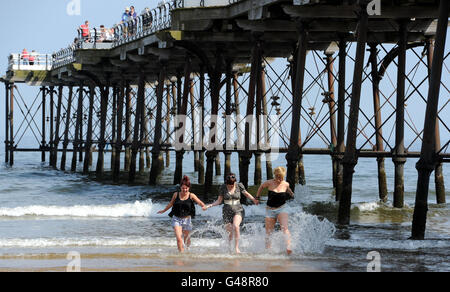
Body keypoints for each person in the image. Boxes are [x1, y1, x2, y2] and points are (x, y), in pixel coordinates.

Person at [205, 173, 259, 254]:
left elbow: (246, 194)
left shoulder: (239, 185)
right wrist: (209, 205)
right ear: (226, 183)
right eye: (229, 185)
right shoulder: (223, 187)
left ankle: (237, 248)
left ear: (235, 182)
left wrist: (254, 200)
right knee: (230, 232)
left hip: (238, 209)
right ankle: (230, 248)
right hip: (226, 211)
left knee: (236, 226)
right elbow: (219, 201)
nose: (231, 186)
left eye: (232, 185)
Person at [158, 176, 207, 252]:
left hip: (187, 220)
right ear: (180, 187)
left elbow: (200, 202)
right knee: (179, 238)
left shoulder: (191, 195)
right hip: (176, 219)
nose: (185, 190)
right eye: (183, 188)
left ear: (189, 188)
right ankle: (181, 254)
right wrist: (163, 210)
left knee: (186, 238)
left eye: (186, 188)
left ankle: (187, 251)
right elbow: (171, 204)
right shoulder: (176, 194)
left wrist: (204, 206)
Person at [256, 166, 295, 255]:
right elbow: (261, 187)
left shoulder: (285, 184)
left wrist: (291, 194)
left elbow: (289, 190)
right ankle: (268, 251)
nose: (280, 179)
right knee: (268, 233)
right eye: (278, 177)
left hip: (282, 208)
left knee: (284, 228)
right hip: (270, 210)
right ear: (275, 176)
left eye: (281, 177)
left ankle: (288, 247)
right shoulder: (269, 183)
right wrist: (257, 197)